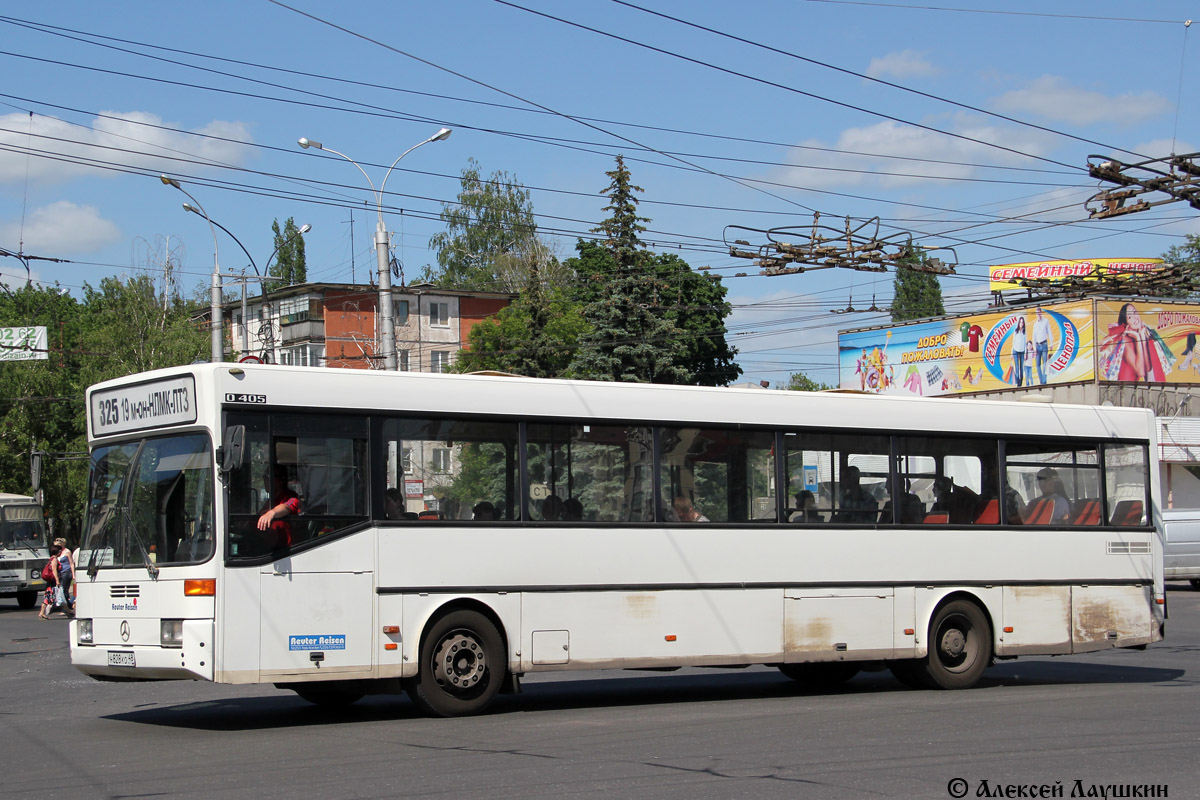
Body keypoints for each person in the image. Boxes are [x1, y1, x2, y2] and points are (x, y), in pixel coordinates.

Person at [1100, 302, 1174, 382]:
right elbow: (1141, 372)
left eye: (1135, 312)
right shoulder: (1125, 340)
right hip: (1124, 389)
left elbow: (1147, 368)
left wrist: (1141, 337)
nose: (1135, 318)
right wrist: (1138, 338)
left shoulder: (1141, 334)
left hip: (1134, 389)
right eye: (1129, 317)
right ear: (1126, 324)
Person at [257, 469, 301, 548]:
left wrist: (271, 513)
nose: (265, 480)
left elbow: (287, 507)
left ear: (281, 480)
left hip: (285, 551)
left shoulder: (291, 496)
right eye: (264, 477)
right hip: (267, 545)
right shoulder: (270, 502)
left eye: (268, 477)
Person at [53, 537, 75, 615]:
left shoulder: (67, 552)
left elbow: (71, 563)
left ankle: (66, 608)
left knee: (63, 590)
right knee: (61, 590)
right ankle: (67, 607)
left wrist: (73, 574)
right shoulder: (57, 552)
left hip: (66, 572)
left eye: (59, 545)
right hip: (60, 573)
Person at [39, 544, 61, 620]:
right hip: (52, 581)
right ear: (58, 552)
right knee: (48, 596)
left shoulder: (51, 558)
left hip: (50, 581)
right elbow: (54, 570)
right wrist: (57, 580)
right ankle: (42, 613)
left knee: (48, 596)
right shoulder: (54, 560)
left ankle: (42, 613)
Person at [1032, 307, 1053, 384]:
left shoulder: (1045, 321)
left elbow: (1049, 332)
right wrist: (1034, 348)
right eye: (1037, 313)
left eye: (1039, 313)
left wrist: (1051, 344)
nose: (1039, 314)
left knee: (1044, 364)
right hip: (1038, 345)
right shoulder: (1035, 324)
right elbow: (1034, 337)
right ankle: (1041, 380)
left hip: (1044, 344)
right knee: (1037, 365)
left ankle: (1044, 381)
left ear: (1041, 313)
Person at [1011, 316, 1027, 387]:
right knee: (1017, 367)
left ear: (1023, 323)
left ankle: (1021, 382)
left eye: (1022, 322)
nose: (1021, 324)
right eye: (1020, 322)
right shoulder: (1016, 331)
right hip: (1016, 350)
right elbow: (1013, 342)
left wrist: (1026, 352)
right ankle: (1018, 383)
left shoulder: (1024, 332)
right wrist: (1012, 352)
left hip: (1022, 351)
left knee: (1021, 367)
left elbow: (1025, 342)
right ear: (1018, 323)